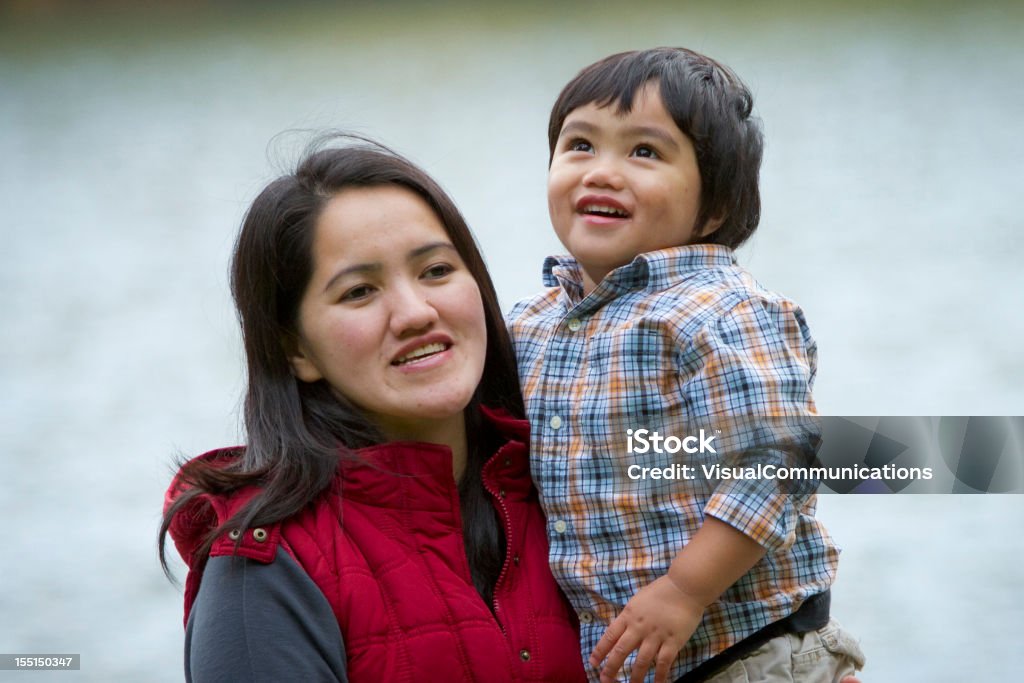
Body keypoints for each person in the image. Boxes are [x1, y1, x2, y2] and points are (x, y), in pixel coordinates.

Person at [159, 139, 588, 682]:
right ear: (295, 349)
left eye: (435, 270)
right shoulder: (263, 571)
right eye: (360, 291)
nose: (415, 312)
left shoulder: (572, 478)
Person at [507, 48, 867, 683]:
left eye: (644, 152)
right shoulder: (532, 325)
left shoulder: (720, 311)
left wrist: (683, 590)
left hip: (754, 651)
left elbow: (777, 465)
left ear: (715, 207)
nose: (602, 172)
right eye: (580, 144)